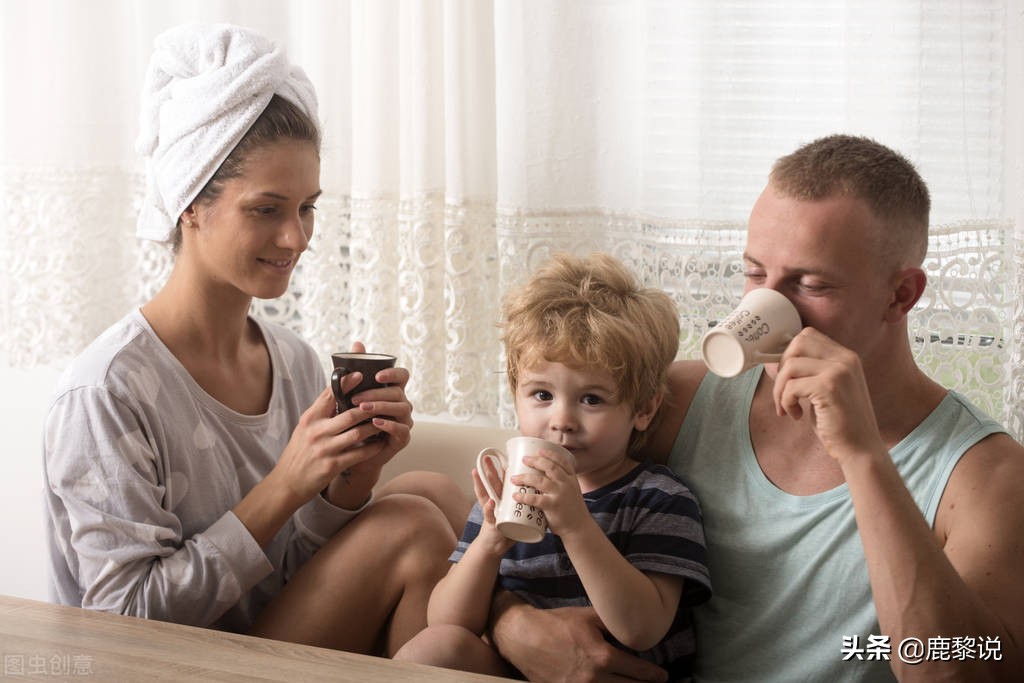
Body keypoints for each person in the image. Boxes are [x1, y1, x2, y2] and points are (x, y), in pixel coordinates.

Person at [485, 135, 1024, 682]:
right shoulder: (679, 402)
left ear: (901, 295)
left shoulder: (982, 474)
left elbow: (967, 669)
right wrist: (514, 627)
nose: (767, 305)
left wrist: (862, 456)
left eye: (810, 283)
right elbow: (514, 533)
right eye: (755, 274)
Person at [42, 23, 464, 656]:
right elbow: (121, 622)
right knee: (410, 524)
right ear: (190, 203)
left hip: (259, 639)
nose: (296, 238)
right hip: (155, 661)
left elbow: (290, 563)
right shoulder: (106, 392)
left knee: (432, 492)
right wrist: (287, 484)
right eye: (266, 209)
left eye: (307, 207)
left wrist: (346, 481)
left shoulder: (290, 361)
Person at [394, 253, 711, 680]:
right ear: (515, 392)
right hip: (522, 670)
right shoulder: (509, 491)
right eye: (542, 395)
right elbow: (448, 621)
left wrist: (576, 525)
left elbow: (642, 628)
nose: (561, 419)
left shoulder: (658, 498)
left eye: (592, 399)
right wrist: (489, 541)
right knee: (435, 647)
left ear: (644, 409)